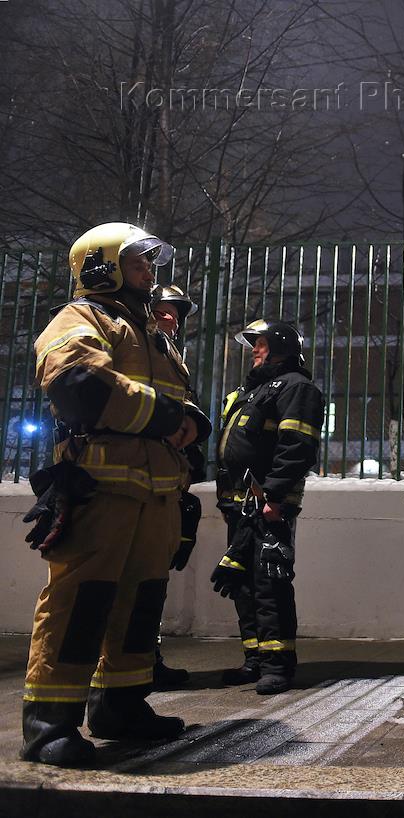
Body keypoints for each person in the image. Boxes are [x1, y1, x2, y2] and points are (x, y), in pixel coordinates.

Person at [20, 223, 211, 766]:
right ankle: (49, 725)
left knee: (141, 602)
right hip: (101, 488)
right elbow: (80, 386)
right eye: (136, 262)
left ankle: (120, 706)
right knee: (80, 602)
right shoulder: (80, 318)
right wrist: (171, 418)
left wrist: (192, 422)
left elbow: (176, 402)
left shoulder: (152, 334)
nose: (149, 272)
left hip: (156, 493)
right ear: (100, 266)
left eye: (149, 263)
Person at [210, 319, 323, 695]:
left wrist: (273, 496)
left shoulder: (296, 388)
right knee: (242, 585)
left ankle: (278, 665)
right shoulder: (254, 391)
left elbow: (297, 447)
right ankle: (255, 660)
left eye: (260, 344)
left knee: (269, 583)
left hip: (267, 505)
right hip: (241, 504)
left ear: (280, 347)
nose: (254, 350)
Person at [148, 284, 203, 689]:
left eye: (178, 314)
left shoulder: (170, 355)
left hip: (165, 481)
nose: (173, 319)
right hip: (137, 480)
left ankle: (146, 660)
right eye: (165, 310)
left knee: (152, 581)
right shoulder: (141, 346)